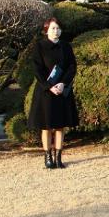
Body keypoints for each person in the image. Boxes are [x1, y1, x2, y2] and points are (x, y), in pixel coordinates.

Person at [28, 17, 78, 169]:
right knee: (47, 125)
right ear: (46, 30)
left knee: (60, 126)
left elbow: (72, 66)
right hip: (46, 91)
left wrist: (63, 83)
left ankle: (58, 157)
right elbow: (37, 69)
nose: (56, 31)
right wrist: (49, 86)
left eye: (58, 28)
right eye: (52, 28)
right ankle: (47, 156)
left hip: (62, 90)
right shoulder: (39, 46)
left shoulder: (66, 46)